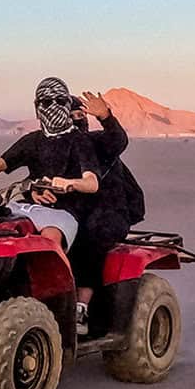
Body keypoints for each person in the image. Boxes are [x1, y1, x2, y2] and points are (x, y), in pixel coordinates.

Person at [0, 77, 100, 253]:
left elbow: (91, 183)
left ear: (68, 104)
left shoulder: (81, 141)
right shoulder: (31, 141)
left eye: (60, 101)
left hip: (65, 211)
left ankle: (59, 280)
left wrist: (69, 183)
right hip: (27, 205)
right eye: (46, 102)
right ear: (37, 107)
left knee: (49, 241)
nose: (54, 107)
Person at [68, 91, 146, 325]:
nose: (75, 120)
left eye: (79, 115)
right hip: (79, 211)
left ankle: (81, 307)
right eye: (70, 116)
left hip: (112, 210)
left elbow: (117, 139)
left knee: (89, 236)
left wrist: (105, 116)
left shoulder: (97, 142)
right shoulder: (54, 147)